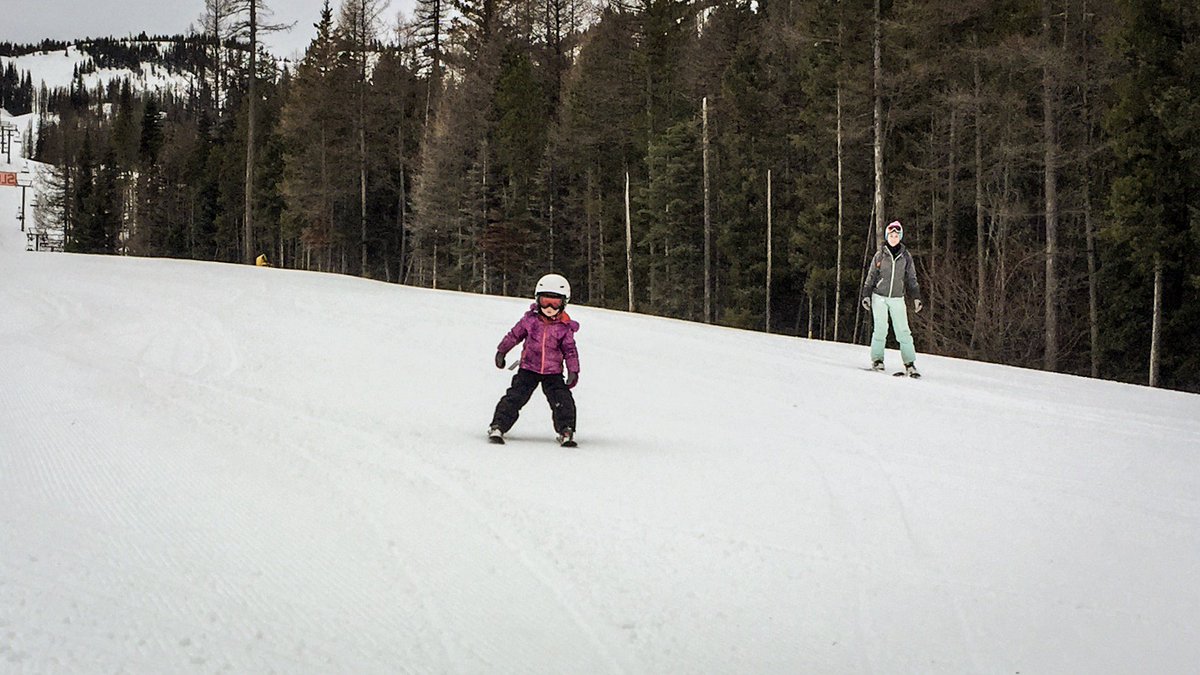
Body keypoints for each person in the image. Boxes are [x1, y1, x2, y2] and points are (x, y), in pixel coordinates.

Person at [489, 274, 581, 445]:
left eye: (555, 303)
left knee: (562, 399)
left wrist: (573, 370)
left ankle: (566, 429)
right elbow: (514, 336)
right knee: (515, 396)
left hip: (553, 372)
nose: (549, 307)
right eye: (545, 301)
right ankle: (498, 425)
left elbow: (570, 351)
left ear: (564, 303)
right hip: (528, 369)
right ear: (537, 300)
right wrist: (502, 351)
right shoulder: (530, 321)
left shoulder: (564, 328)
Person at [861, 220, 923, 376]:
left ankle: (909, 363)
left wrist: (916, 297)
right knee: (881, 329)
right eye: (891, 235)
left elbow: (911, 278)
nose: (894, 238)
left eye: (896, 235)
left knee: (903, 330)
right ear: (887, 237)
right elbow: (871, 276)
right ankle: (877, 360)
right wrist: (866, 295)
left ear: (900, 237)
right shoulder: (880, 255)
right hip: (879, 297)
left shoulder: (905, 256)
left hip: (897, 297)